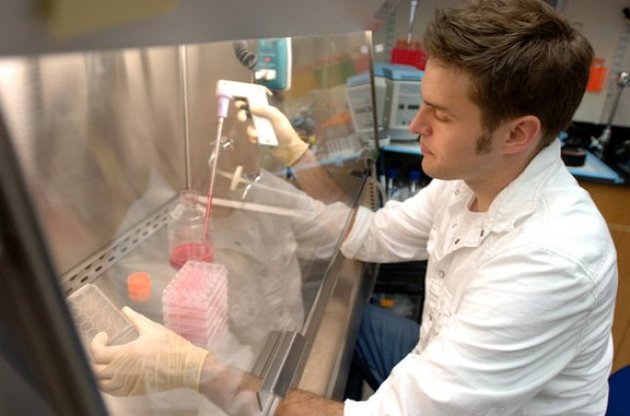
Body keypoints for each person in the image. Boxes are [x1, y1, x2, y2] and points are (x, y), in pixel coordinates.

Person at [91, 0, 618, 415]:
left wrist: (194, 368)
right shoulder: (470, 181)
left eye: (440, 115)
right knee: (352, 329)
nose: (415, 126)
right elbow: (372, 236)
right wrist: (297, 154)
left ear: (517, 134)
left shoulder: (548, 261)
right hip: (435, 352)